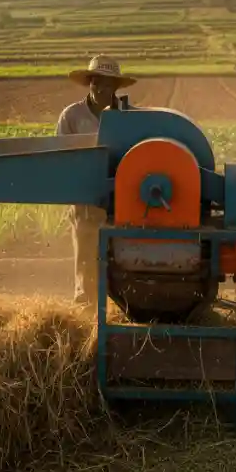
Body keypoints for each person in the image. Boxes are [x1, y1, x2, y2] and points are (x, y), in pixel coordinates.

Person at [56, 55, 137, 306]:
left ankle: (121, 305)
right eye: (97, 82)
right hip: (85, 196)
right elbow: (61, 158)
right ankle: (85, 305)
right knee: (86, 254)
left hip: (122, 194)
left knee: (123, 256)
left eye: (108, 83)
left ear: (116, 87)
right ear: (89, 83)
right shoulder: (72, 116)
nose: (102, 88)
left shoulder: (128, 116)